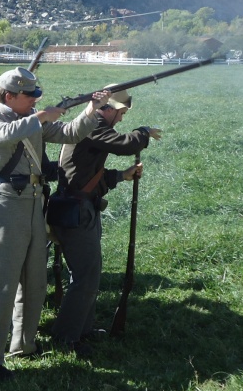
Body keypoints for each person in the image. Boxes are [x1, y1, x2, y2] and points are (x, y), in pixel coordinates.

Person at [0, 67, 111, 380]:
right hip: (6, 203)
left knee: (35, 281)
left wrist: (91, 109)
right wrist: (41, 117)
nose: (36, 100)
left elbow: (71, 133)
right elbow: (5, 135)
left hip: (36, 202)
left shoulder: (34, 118)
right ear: (9, 96)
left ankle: (24, 344)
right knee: (3, 283)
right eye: (29, 95)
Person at [50, 88, 161, 357]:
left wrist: (122, 176)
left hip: (81, 206)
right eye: (121, 113)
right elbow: (125, 145)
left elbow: (89, 174)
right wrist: (143, 133)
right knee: (84, 277)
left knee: (90, 275)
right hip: (76, 211)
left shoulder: (93, 125)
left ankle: (81, 330)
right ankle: (66, 338)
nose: (121, 119)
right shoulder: (95, 125)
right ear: (107, 109)